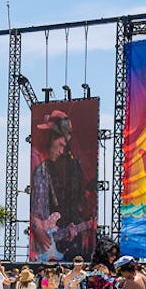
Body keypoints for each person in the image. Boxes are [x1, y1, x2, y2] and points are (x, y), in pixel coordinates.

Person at [29, 108, 94, 262]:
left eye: (64, 145)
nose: (61, 149)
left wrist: (72, 226)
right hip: (43, 243)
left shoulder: (71, 169)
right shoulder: (40, 166)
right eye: (60, 143)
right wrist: (39, 230)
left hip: (58, 240)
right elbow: (35, 211)